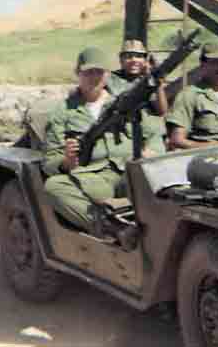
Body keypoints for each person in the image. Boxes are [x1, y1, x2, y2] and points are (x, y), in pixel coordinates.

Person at [42, 46, 165, 235]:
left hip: (130, 171)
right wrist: (66, 162)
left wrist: (152, 151)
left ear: (107, 75)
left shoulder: (124, 103)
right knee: (54, 187)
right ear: (78, 73)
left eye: (98, 72)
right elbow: (49, 162)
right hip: (92, 180)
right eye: (88, 72)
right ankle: (111, 228)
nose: (93, 77)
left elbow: (155, 135)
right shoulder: (63, 112)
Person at [108, 39, 168, 116]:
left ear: (145, 61)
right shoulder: (111, 79)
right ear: (121, 60)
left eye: (139, 56)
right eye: (128, 56)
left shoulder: (149, 81)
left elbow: (162, 111)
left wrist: (157, 82)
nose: (134, 60)